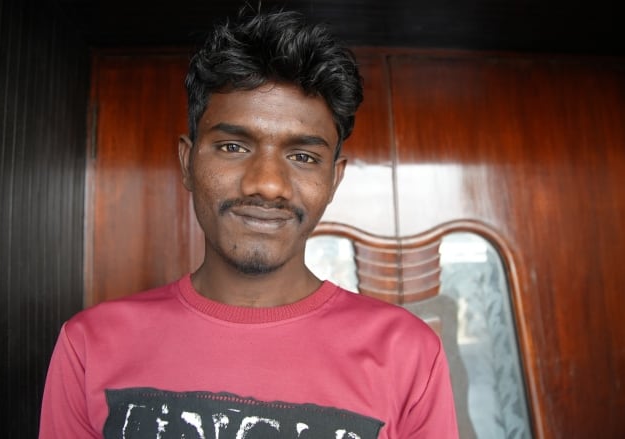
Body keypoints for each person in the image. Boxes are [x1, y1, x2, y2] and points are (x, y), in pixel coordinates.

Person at [39, 6, 458, 438]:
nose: (268, 185)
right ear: (187, 162)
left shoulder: (407, 352)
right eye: (234, 147)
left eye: (303, 156)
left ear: (333, 180)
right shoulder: (90, 344)